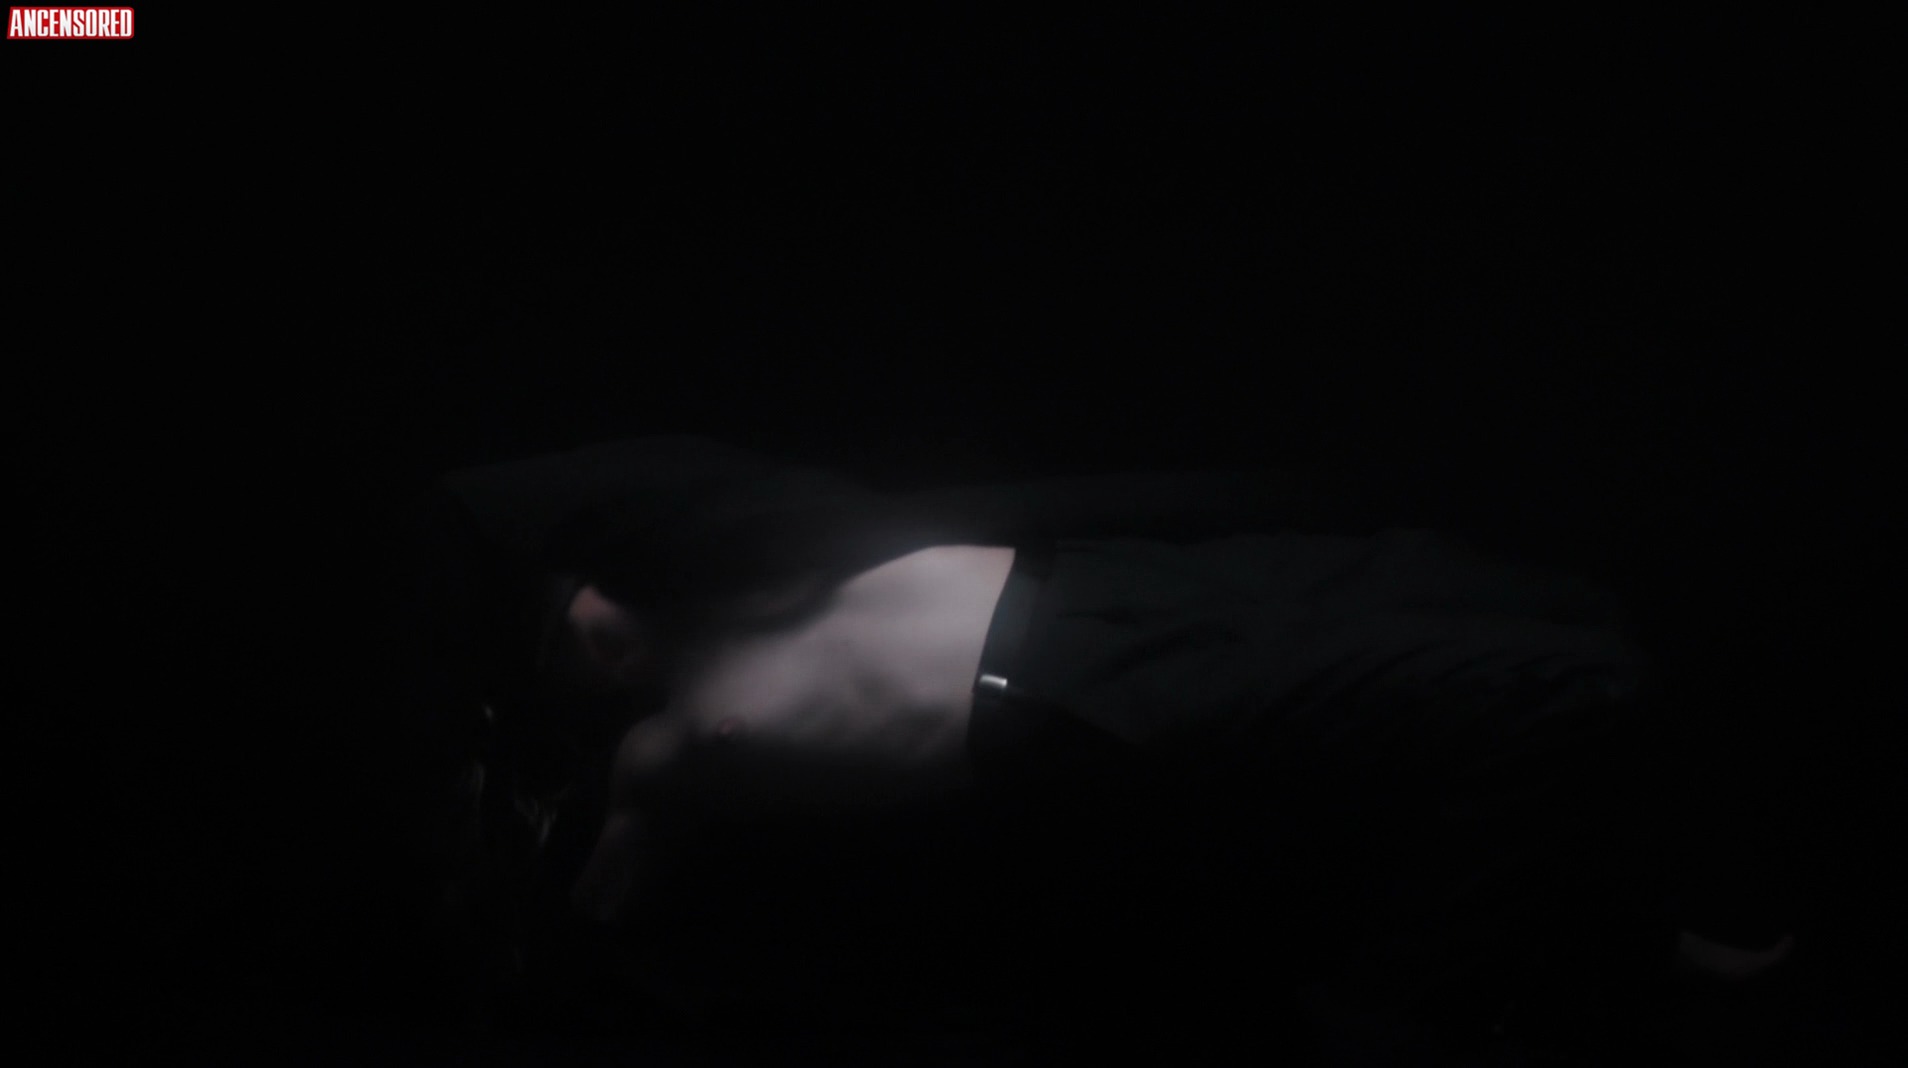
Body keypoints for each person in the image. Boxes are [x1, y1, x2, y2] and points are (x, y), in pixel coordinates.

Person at [391, 435, 1796, 1061]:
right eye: (558, 641)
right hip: (1064, 702)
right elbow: (588, 925)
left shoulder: (747, 568)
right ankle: (1479, 997)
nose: (587, 632)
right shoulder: (662, 756)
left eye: (581, 605)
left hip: (1108, 594)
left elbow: (592, 497)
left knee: (1505, 624)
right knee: (1520, 704)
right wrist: (508, 857)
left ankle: (1627, 943)